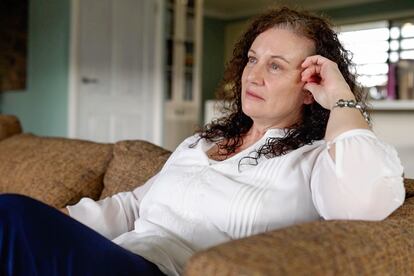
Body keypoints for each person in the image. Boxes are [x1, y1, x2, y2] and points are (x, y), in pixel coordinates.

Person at [0, 6, 405, 276]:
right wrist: (55, 222)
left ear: (309, 87)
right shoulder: (200, 143)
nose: (253, 75)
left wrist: (340, 98)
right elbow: (134, 205)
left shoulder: (317, 161)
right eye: (252, 59)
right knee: (15, 217)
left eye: (276, 66)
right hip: (122, 255)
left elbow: (363, 204)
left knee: (11, 213)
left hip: (160, 272)